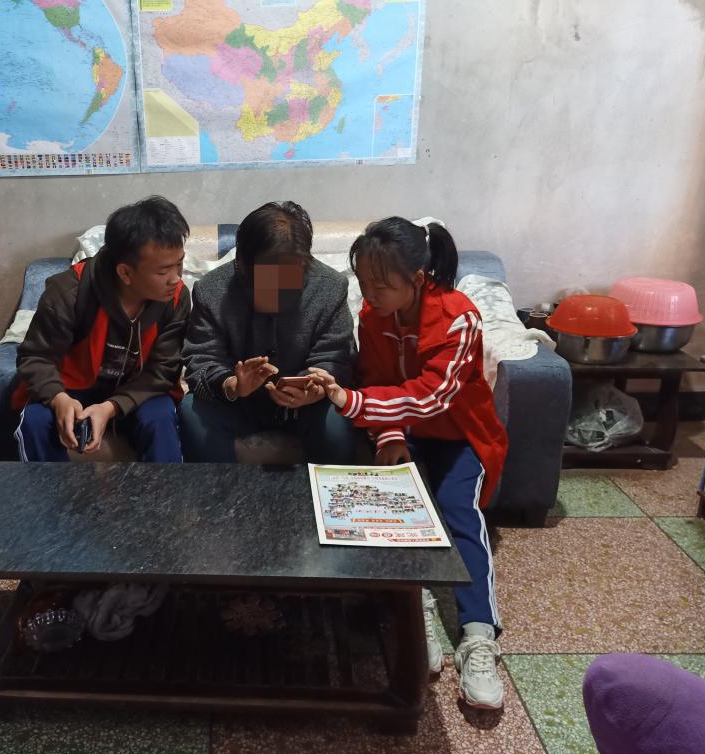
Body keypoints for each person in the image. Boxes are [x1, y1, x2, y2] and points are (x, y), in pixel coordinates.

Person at [308, 216, 509, 709]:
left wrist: (350, 401)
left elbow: (432, 396)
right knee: (394, 510)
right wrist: (391, 434)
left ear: (416, 279)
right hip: (408, 433)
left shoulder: (459, 318)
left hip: (461, 435)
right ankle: (416, 607)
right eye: (363, 281)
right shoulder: (373, 316)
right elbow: (377, 376)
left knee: (459, 511)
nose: (369, 294)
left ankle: (479, 635)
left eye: (380, 284)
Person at [178, 201, 358, 463]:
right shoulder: (212, 290)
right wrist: (232, 384)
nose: (278, 287)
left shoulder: (330, 287)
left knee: (336, 422)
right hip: (238, 405)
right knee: (191, 412)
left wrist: (314, 388)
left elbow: (337, 355)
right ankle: (217, 490)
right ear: (241, 264)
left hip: (307, 408)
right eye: (267, 277)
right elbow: (201, 358)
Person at [14, 196, 190, 462]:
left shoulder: (176, 298)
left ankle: (162, 492)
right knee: (36, 420)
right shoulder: (70, 293)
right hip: (71, 389)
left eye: (180, 263)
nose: (176, 278)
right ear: (125, 273)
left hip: (137, 390)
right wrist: (58, 398)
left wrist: (111, 407)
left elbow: (163, 372)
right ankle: (46, 491)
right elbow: (35, 358)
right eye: (164, 271)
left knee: (160, 417)